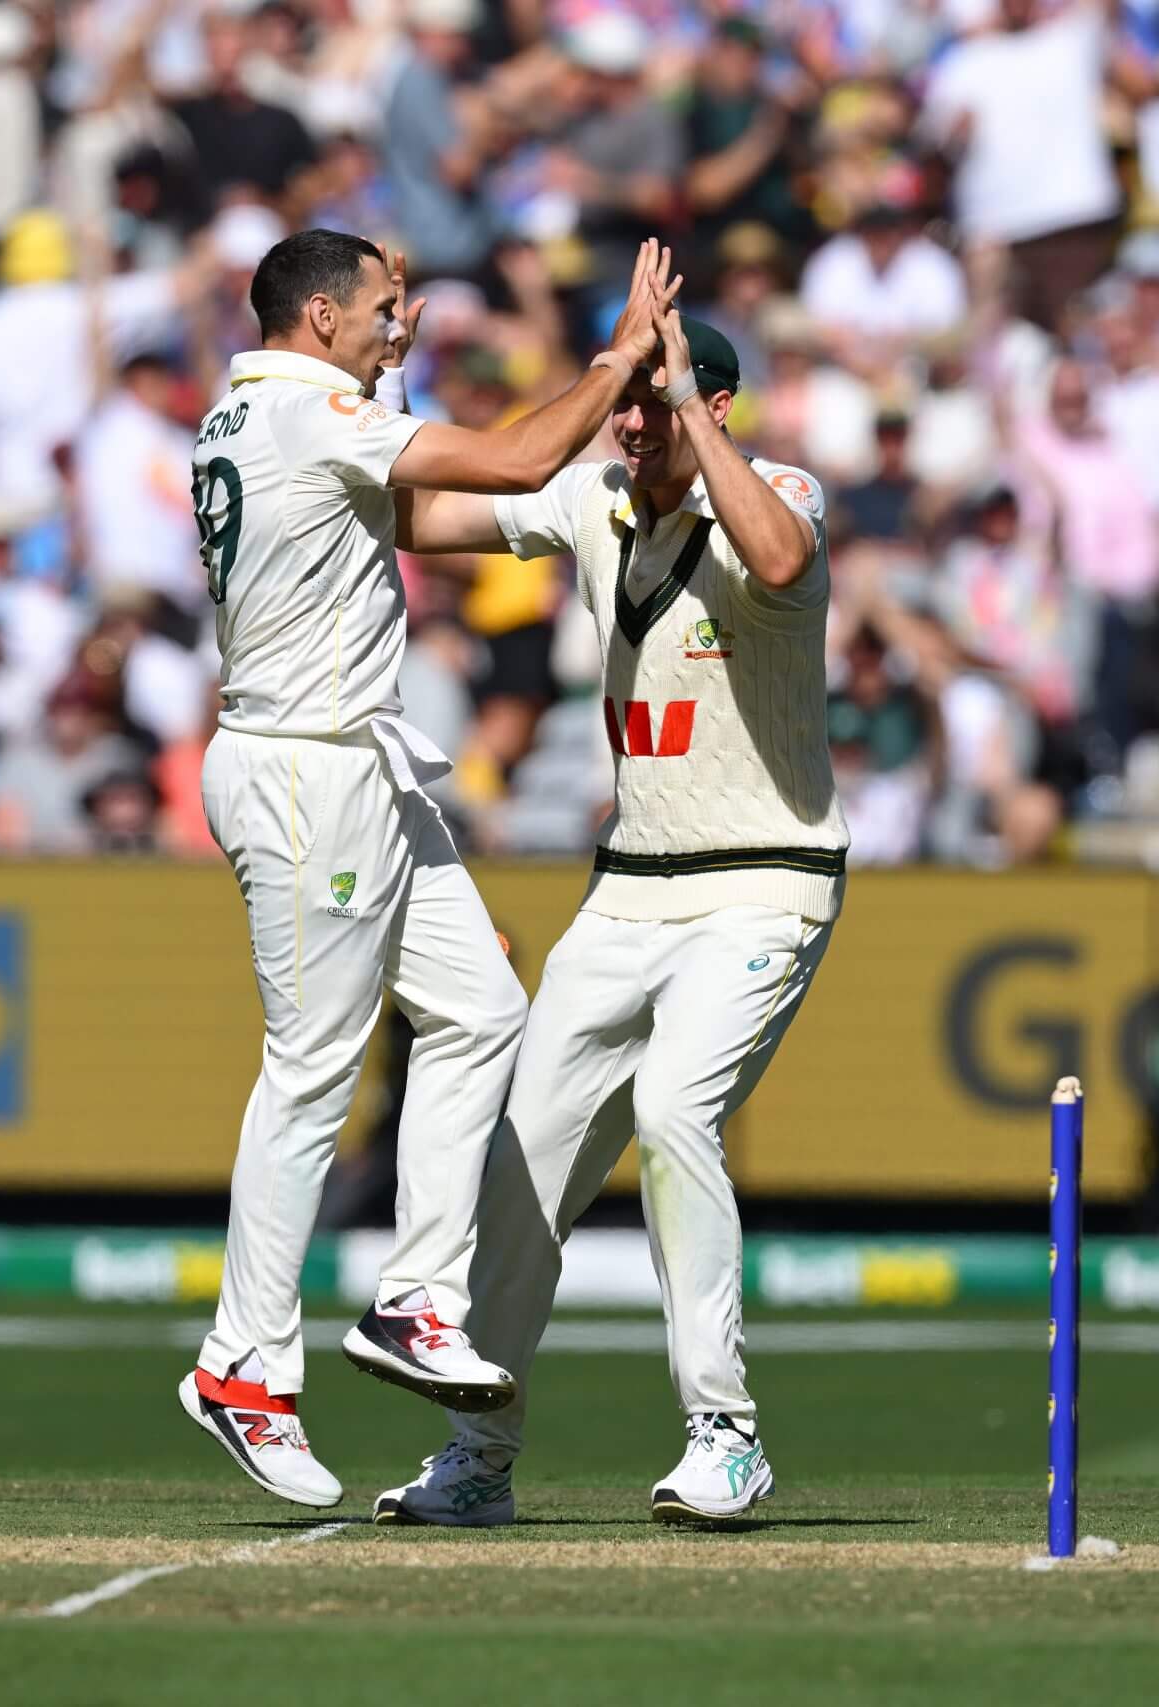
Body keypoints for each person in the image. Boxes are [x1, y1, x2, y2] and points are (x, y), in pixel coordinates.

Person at [177, 229, 678, 1508]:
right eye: (384, 310)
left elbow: (430, 515)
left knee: (480, 1010)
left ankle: (414, 1300)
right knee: (311, 1067)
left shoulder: (258, 412)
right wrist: (617, 357)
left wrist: (558, 515)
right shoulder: (305, 413)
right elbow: (510, 458)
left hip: (359, 768)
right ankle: (240, 1366)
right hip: (307, 775)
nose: (400, 325)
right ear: (321, 315)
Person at [367, 309, 847, 1526]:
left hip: (765, 877)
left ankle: (725, 1434)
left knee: (675, 1113)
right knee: (519, 1162)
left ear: (712, 403)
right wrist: (384, 390)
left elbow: (776, 562)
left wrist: (683, 401)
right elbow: (421, 519)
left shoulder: (779, 491)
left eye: (653, 398)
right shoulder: (593, 498)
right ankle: (479, 1459)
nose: (630, 422)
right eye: (622, 398)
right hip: (628, 887)